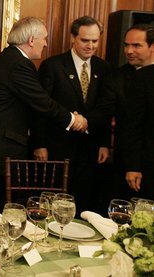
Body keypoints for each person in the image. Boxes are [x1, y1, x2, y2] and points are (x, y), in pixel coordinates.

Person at [0, 16, 88, 220]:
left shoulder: (11, 59)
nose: (45, 43)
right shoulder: (17, 64)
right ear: (31, 40)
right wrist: (73, 119)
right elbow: (42, 102)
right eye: (44, 38)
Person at [31, 16, 113, 214]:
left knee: (84, 200)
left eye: (95, 41)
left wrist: (104, 143)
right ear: (73, 38)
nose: (90, 46)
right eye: (85, 40)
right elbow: (40, 109)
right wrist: (38, 144)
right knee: (54, 202)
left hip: (90, 148)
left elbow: (105, 108)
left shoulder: (104, 68)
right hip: (57, 146)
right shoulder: (53, 66)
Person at [111, 24, 154, 200]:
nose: (129, 50)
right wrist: (133, 165)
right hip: (146, 162)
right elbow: (133, 124)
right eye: (127, 45)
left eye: (136, 45)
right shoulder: (142, 77)